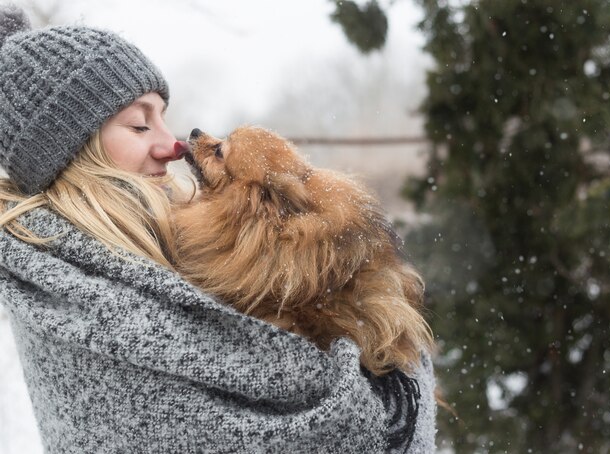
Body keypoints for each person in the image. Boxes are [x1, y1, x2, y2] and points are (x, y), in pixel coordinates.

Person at [0, 4, 437, 453]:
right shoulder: (76, 295)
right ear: (70, 151)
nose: (173, 144)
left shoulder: (170, 237)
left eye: (164, 116)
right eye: (139, 123)